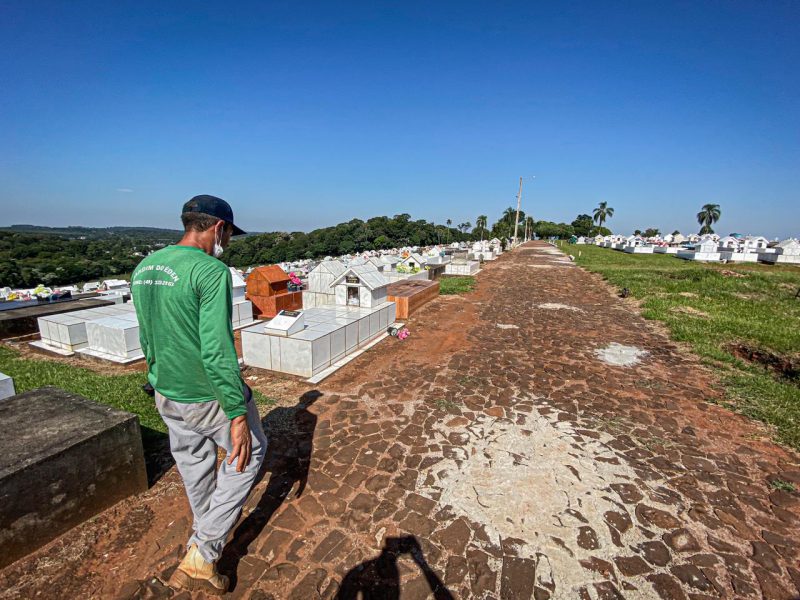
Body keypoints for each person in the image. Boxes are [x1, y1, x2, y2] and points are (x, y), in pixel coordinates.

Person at [132, 194, 267, 595]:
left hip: (166, 389)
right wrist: (237, 413)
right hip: (206, 393)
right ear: (218, 228)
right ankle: (203, 554)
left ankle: (203, 536)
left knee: (195, 464)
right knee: (250, 452)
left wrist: (156, 376)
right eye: (228, 233)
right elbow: (217, 347)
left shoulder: (146, 267)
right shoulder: (210, 271)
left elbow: (146, 333)